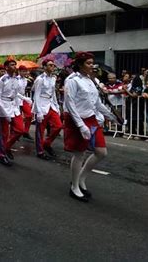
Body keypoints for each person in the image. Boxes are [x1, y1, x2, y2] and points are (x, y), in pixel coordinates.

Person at [63, 52, 118, 202]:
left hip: (91, 118)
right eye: (88, 63)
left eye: (92, 63)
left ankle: (81, 179)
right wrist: (80, 125)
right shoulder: (72, 80)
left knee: (101, 152)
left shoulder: (91, 80)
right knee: (79, 153)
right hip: (77, 119)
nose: (92, 66)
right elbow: (70, 103)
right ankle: (74, 187)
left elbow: (97, 103)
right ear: (80, 64)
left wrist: (112, 116)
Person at [0, 59, 26, 166]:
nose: (14, 66)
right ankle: (1, 155)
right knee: (4, 134)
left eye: (15, 64)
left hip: (13, 106)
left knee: (20, 130)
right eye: (12, 65)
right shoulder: (2, 80)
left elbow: (16, 93)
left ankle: (6, 147)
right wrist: (4, 112)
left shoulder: (16, 79)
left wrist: (25, 99)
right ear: (6, 67)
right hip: (3, 107)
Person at [32, 59, 63, 160]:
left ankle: (47, 143)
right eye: (50, 65)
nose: (52, 67)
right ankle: (40, 151)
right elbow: (36, 95)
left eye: (53, 65)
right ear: (44, 67)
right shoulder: (40, 79)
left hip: (51, 104)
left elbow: (53, 93)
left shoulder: (53, 78)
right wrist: (38, 111)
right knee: (40, 131)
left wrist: (57, 106)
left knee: (58, 126)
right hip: (41, 105)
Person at [17, 65, 34, 140]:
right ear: (19, 71)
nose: (25, 73)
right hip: (16, 99)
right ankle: (14, 132)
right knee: (17, 117)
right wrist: (24, 98)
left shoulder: (26, 80)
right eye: (23, 71)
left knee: (29, 115)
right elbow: (15, 92)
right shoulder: (16, 79)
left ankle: (25, 132)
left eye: (25, 71)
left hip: (23, 99)